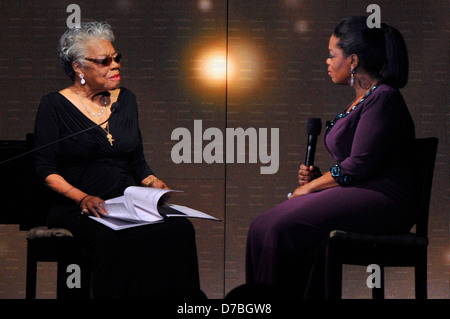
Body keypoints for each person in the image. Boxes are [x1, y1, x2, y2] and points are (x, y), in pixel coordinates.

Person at [246, 16, 416, 298]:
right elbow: (356, 164)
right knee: (259, 228)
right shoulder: (362, 100)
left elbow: (359, 165)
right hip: (361, 190)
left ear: (352, 60)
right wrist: (320, 178)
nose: (327, 61)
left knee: (279, 228)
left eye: (332, 54)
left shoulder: (384, 97)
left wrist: (311, 187)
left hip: (385, 200)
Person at [34, 21, 200, 298]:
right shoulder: (54, 105)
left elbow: (137, 161)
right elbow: (45, 169)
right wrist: (83, 197)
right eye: (104, 61)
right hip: (81, 206)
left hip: (126, 203)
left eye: (116, 58)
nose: (115, 66)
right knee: (112, 240)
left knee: (179, 229)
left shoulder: (126, 100)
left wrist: (152, 181)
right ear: (78, 67)